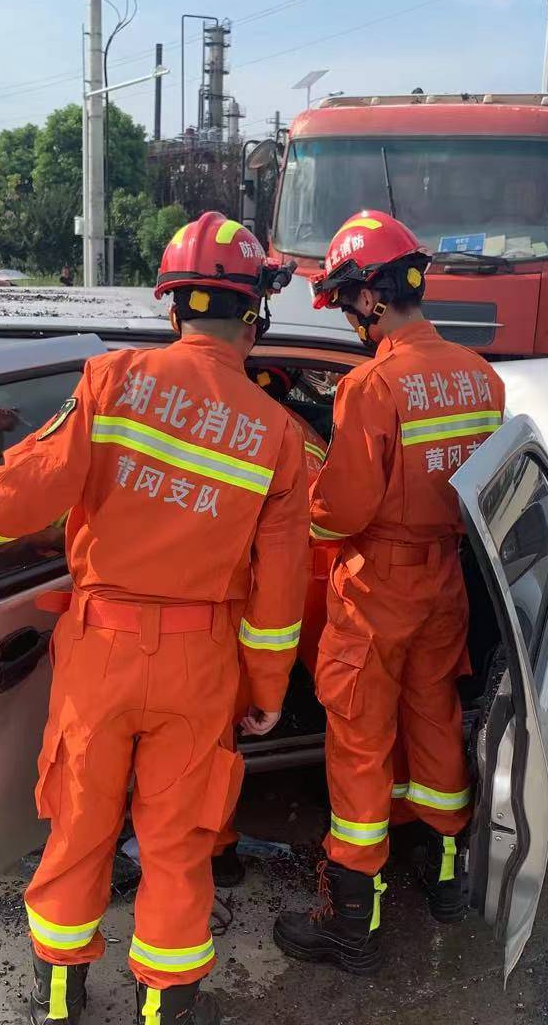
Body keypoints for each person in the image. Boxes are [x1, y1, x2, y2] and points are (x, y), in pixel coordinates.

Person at [0, 210, 308, 1025]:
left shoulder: (113, 383)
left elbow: (12, 502)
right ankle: (164, 1009)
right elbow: (280, 593)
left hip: (102, 652)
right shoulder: (278, 435)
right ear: (253, 315)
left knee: (79, 826)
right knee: (179, 841)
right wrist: (264, 690)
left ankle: (59, 999)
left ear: (171, 305)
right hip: (201, 664)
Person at [274, 210, 505, 973]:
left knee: (360, 741)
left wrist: (298, 502)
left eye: (346, 301)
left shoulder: (373, 386)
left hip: (378, 586)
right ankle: (444, 876)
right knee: (435, 718)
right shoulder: (483, 377)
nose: (346, 315)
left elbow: (340, 512)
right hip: (447, 581)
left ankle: (351, 916)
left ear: (372, 298)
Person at [210, 364, 332, 890]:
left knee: (213, 737)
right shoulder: (300, 434)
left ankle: (217, 851)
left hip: (250, 595)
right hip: (321, 587)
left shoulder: (228, 428)